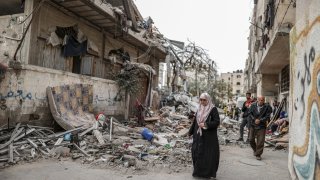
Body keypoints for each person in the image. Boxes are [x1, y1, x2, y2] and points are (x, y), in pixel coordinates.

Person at [188, 93, 220, 179]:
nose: (202, 101)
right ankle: (198, 172)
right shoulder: (199, 108)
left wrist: (206, 124)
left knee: (208, 154)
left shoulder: (213, 109)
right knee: (197, 152)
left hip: (209, 136)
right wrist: (190, 132)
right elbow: (195, 122)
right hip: (198, 135)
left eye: (204, 100)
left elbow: (217, 122)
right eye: (201, 99)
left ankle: (208, 173)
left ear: (208, 100)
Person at [248, 96, 272, 160]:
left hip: (262, 126)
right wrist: (254, 119)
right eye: (260, 100)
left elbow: (267, 116)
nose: (261, 101)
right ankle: (255, 150)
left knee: (260, 141)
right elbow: (250, 114)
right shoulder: (253, 105)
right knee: (250, 139)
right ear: (257, 100)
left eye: (263, 100)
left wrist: (260, 120)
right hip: (253, 125)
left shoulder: (267, 107)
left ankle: (258, 154)